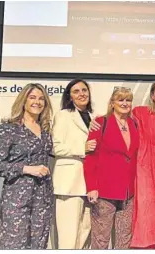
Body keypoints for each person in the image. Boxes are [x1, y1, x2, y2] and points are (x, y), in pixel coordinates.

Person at [89, 79, 155, 249]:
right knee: (107, 235)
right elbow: (115, 120)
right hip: (140, 176)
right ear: (152, 95)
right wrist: (95, 120)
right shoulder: (139, 113)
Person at [0, 83, 54, 249]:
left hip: (42, 197)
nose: (37, 102)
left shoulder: (45, 131)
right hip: (16, 198)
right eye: (32, 97)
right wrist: (26, 169)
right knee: (14, 245)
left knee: (39, 245)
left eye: (41, 98)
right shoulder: (8, 129)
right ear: (24, 100)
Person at [83, 87, 139, 249]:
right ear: (112, 103)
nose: (124, 103)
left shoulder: (134, 123)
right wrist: (92, 187)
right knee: (101, 239)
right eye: (120, 100)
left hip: (128, 193)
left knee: (124, 239)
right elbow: (90, 158)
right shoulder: (101, 123)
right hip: (105, 192)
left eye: (128, 100)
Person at [51, 79, 94, 249]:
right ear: (69, 96)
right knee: (68, 236)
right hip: (69, 182)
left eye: (84, 90)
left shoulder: (93, 117)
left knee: (85, 232)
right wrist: (81, 148)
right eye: (76, 91)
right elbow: (55, 146)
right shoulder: (63, 115)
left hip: (89, 183)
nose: (82, 94)